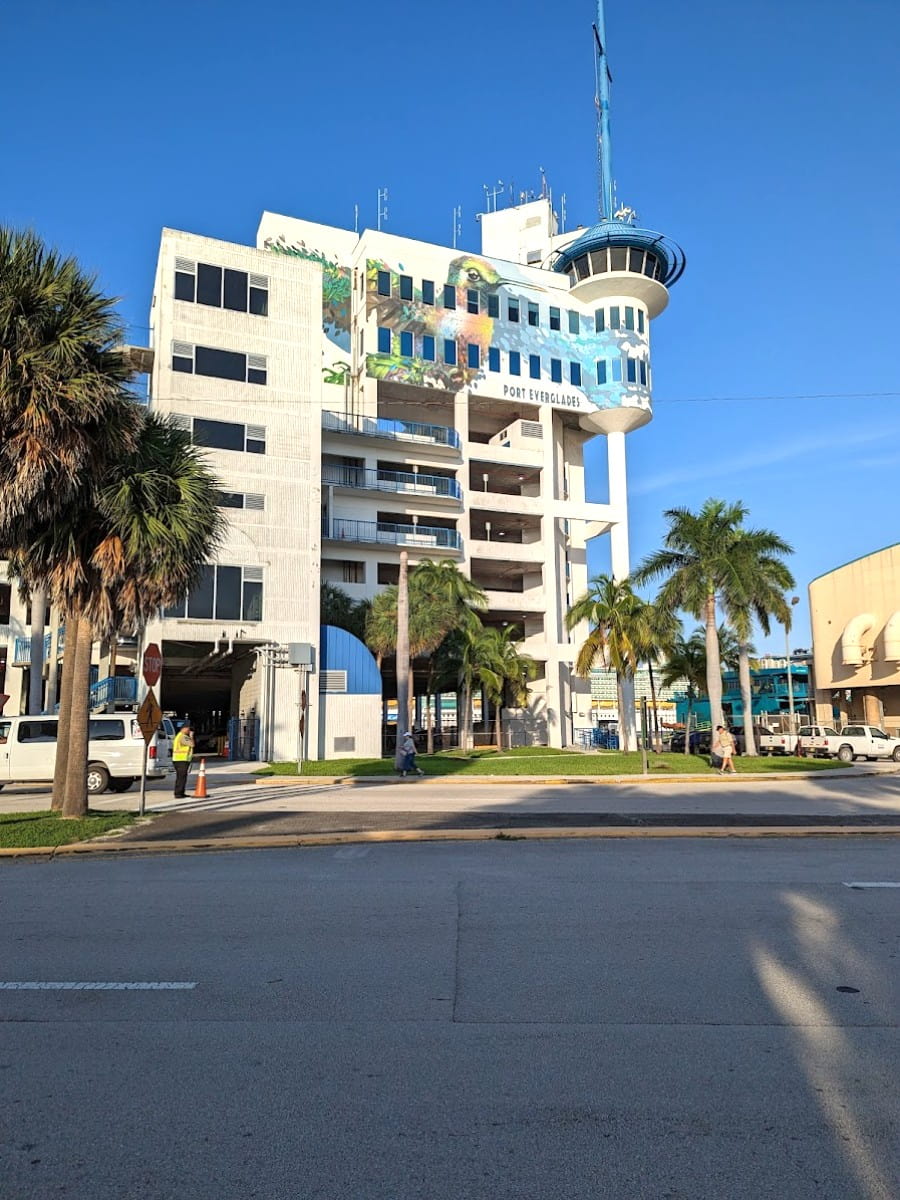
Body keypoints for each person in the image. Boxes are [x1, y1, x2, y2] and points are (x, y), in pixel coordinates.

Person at [172, 719, 195, 797]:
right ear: (184, 728)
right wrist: (191, 736)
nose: (189, 730)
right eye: (188, 728)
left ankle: (181, 792)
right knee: (181, 778)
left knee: (182, 777)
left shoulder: (180, 736)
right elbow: (192, 744)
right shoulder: (183, 737)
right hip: (181, 760)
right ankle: (178, 793)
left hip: (180, 760)